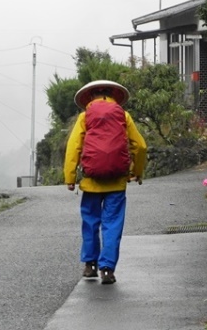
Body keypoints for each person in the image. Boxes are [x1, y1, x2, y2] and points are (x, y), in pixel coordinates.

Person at [64, 80, 147, 285]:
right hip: (117, 181)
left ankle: (89, 265)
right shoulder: (123, 115)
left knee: (90, 222)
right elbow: (140, 146)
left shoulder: (85, 116)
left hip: (91, 181)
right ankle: (107, 269)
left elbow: (74, 147)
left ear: (90, 97)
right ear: (112, 95)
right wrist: (137, 172)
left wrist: (70, 177)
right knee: (112, 225)